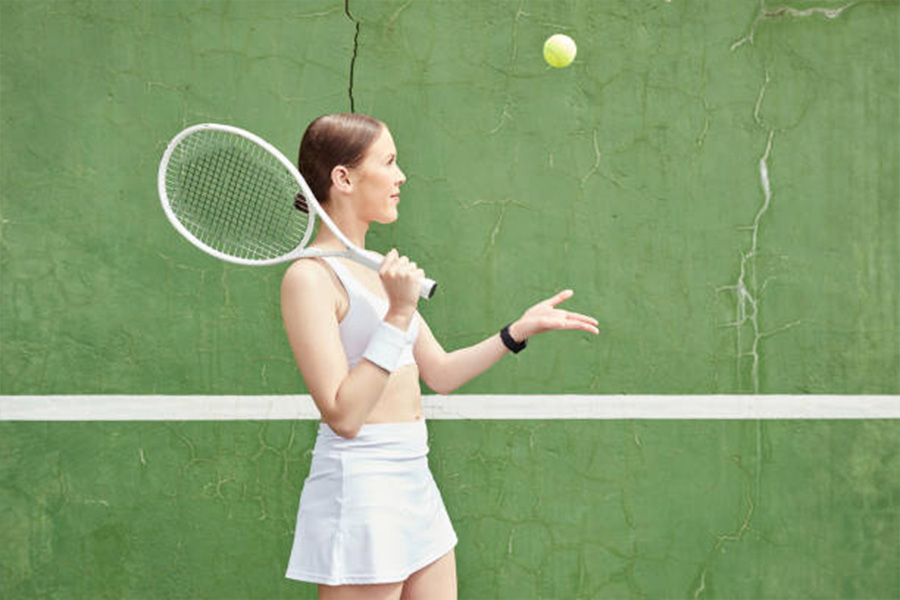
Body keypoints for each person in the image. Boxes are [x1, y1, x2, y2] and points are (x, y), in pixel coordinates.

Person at [282, 113, 599, 600]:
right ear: (342, 178)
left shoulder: (379, 274)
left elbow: (441, 374)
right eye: (388, 162)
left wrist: (518, 330)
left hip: (415, 476)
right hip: (363, 488)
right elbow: (343, 415)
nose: (401, 175)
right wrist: (400, 311)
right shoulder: (310, 279)